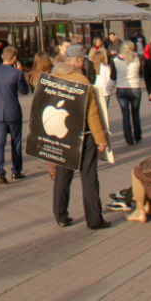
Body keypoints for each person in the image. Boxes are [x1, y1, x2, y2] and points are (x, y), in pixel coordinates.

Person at [51, 44, 111, 230]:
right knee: (89, 176)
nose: (84, 62)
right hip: (83, 134)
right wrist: (101, 138)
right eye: (83, 59)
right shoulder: (82, 81)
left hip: (61, 133)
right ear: (76, 60)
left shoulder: (53, 77)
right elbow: (91, 113)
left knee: (62, 174)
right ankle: (94, 219)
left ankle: (61, 215)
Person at [0, 45, 30, 184]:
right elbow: (24, 91)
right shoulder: (16, 73)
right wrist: (21, 74)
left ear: (2, 56)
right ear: (15, 59)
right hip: (13, 112)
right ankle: (16, 171)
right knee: (16, 142)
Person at [113, 40, 143, 147]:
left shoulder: (116, 60)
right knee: (135, 114)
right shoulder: (136, 58)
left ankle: (129, 139)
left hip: (121, 88)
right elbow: (139, 71)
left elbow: (114, 74)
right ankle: (138, 135)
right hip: (135, 87)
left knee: (125, 115)